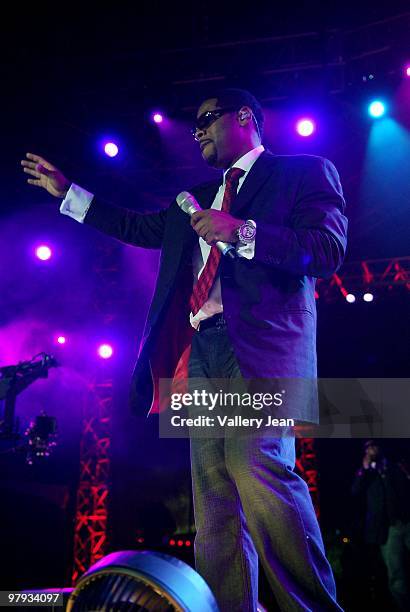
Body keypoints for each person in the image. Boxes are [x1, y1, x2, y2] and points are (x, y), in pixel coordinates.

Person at [21, 88, 347, 611]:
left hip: (259, 348)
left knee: (256, 467)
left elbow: (326, 250)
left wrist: (240, 231)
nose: (197, 132)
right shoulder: (195, 198)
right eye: (194, 125)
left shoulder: (302, 172)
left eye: (207, 120)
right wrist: (68, 193)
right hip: (203, 350)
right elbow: (134, 226)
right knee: (214, 496)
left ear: (245, 118)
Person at [352, 440, 410, 611]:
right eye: (368, 448)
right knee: (396, 574)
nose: (372, 450)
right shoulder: (367, 473)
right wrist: (364, 470)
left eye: (374, 446)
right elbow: (355, 491)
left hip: (407, 522)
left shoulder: (395, 466)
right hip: (388, 530)